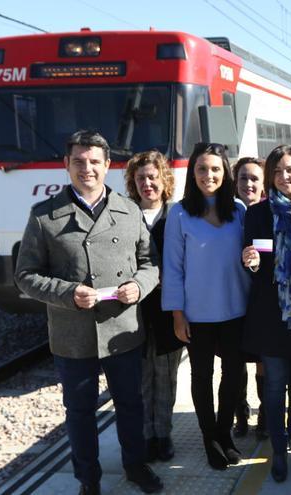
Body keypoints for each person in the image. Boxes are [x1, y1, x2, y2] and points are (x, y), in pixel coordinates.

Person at [15, 130, 163, 494]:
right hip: (72, 335)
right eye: (79, 161)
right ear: (66, 165)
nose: (87, 168)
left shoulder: (129, 211)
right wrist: (68, 293)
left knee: (130, 405)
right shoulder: (44, 217)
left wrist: (139, 286)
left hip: (121, 330)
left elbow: (150, 263)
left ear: (108, 166)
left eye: (94, 161)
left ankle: (135, 465)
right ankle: (88, 480)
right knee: (80, 414)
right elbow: (25, 276)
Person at [161, 143, 251, 470]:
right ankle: (209, 437)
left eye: (215, 169)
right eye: (201, 169)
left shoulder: (239, 210)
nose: (208, 175)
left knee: (234, 374)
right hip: (197, 314)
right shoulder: (180, 213)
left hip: (236, 308)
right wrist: (177, 313)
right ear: (192, 173)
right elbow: (172, 267)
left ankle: (225, 432)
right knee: (202, 375)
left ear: (225, 172)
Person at [240, 144, 291, 482]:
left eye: (290, 169)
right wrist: (252, 262)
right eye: (277, 171)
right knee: (275, 383)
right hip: (270, 311)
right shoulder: (257, 214)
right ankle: (278, 447)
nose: (284, 176)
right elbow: (250, 259)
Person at [124, 150, 183, 464]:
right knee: (141, 377)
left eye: (153, 177)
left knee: (167, 376)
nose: (147, 183)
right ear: (133, 182)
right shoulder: (123, 214)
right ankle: (146, 436)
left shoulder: (178, 214)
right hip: (134, 311)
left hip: (169, 310)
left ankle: (164, 434)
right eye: (140, 178)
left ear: (164, 180)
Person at [231, 156, 268, 440]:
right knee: (234, 360)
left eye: (255, 178)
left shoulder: (269, 212)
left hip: (260, 298)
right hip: (232, 296)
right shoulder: (227, 212)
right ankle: (240, 412)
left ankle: (265, 412)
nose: (249, 184)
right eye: (243, 178)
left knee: (262, 359)